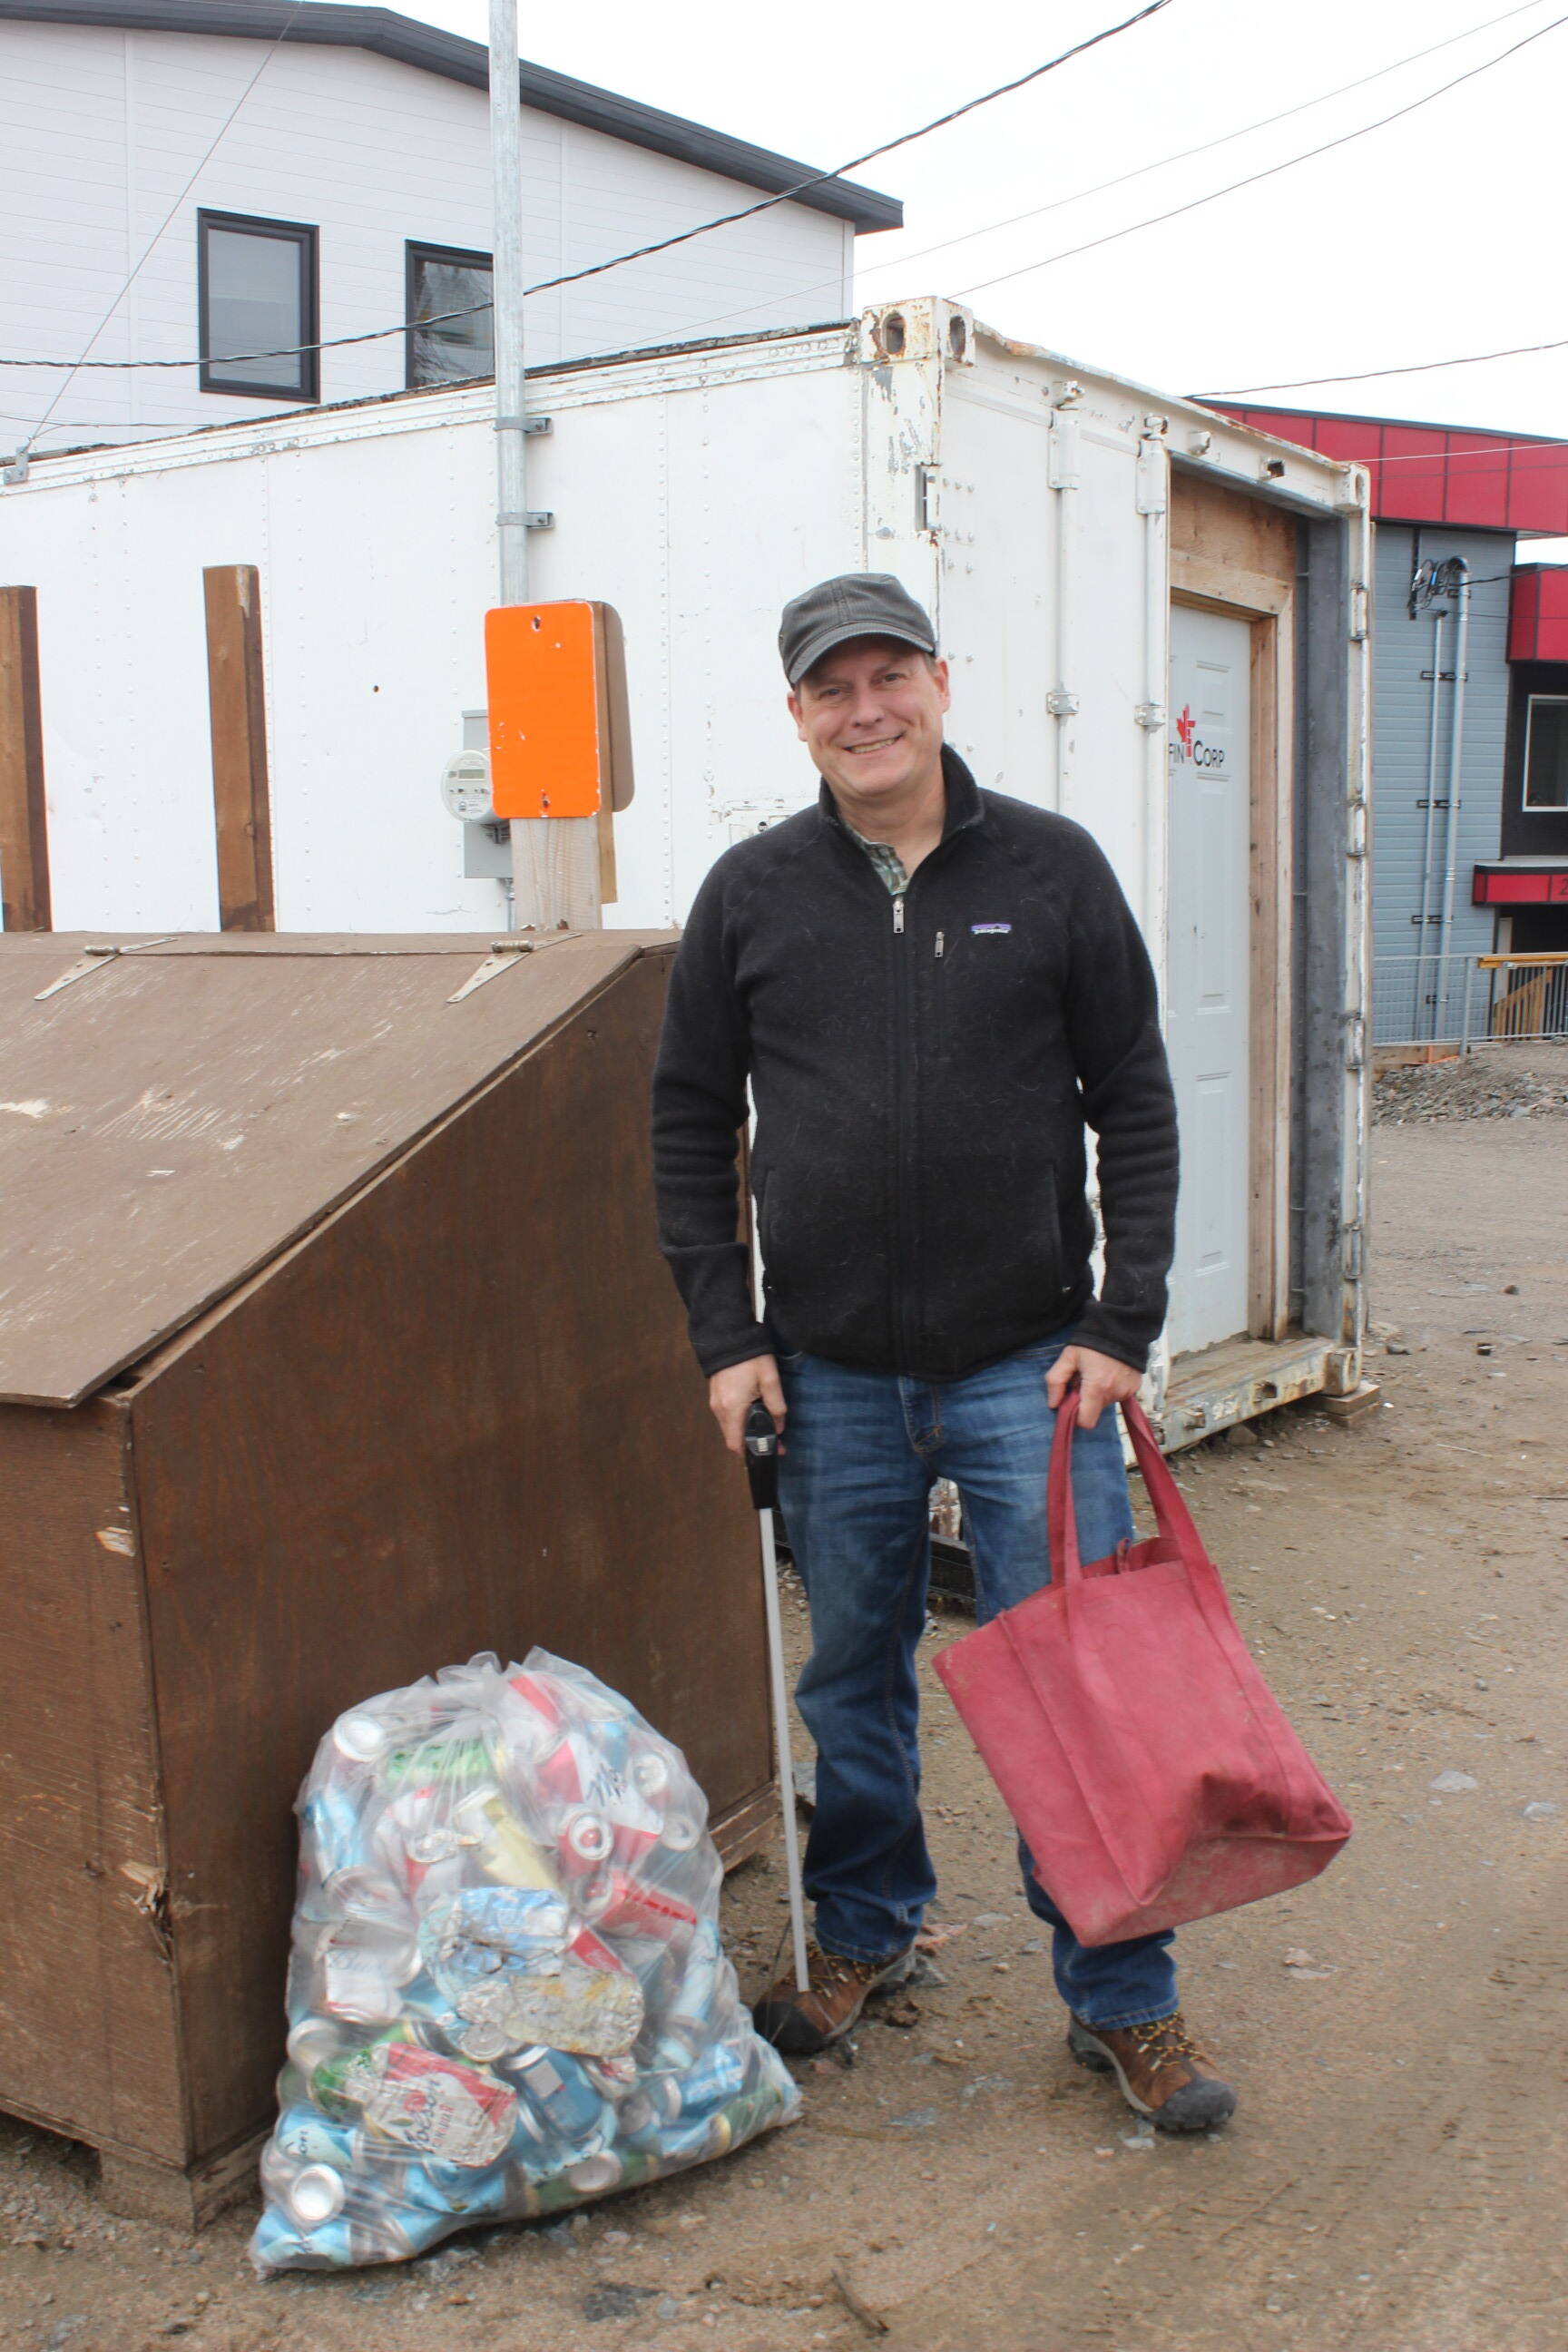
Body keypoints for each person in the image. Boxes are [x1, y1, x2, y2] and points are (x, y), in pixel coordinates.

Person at [651, 573, 1235, 2133]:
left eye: (887, 676)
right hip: (827, 1371)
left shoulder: (1050, 872)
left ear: (938, 683)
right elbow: (690, 1120)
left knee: (1074, 1688)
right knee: (852, 1676)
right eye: (831, 689)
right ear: (798, 717)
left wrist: (1124, 1325)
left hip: (1027, 1374)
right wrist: (729, 1335)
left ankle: (1125, 1998)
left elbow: (1138, 1100)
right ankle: (864, 1933)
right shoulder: (752, 893)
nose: (865, 710)